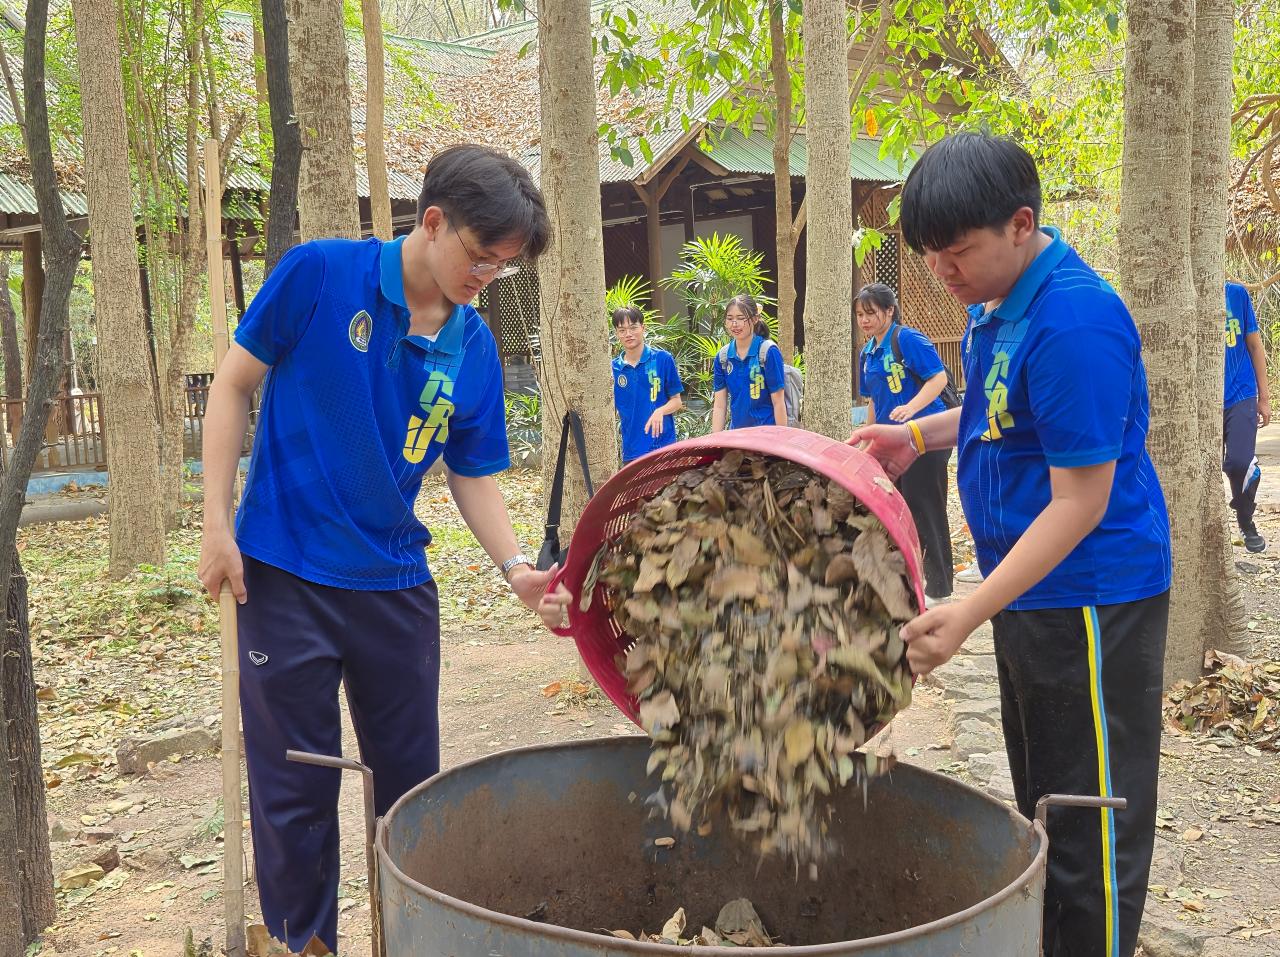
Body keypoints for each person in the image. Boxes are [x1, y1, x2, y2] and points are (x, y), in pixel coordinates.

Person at [197, 144, 563, 953]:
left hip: (396, 588)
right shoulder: (319, 276)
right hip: (283, 574)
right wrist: (216, 524)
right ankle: (303, 945)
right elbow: (231, 384)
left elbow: (472, 475)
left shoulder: (471, 346)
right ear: (433, 221)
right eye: (480, 256)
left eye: (503, 267)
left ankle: (411, 942)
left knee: (411, 795)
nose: (486, 278)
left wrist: (516, 572)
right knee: (293, 793)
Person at [850, 132, 1170, 957]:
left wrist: (968, 609)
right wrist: (914, 435)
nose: (942, 274)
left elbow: (1081, 500)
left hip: (1091, 599)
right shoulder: (998, 304)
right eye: (929, 258)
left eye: (957, 254)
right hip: (1029, 590)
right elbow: (1002, 413)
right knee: (1046, 806)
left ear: (1022, 223)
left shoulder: (1075, 321)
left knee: (1089, 825)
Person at [856, 282, 953, 604]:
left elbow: (937, 378)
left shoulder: (907, 339)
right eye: (859, 314)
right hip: (889, 441)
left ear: (889, 311)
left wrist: (912, 409)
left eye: (871, 313)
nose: (865, 320)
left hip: (925, 436)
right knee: (892, 509)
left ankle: (939, 587)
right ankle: (905, 580)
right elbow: (872, 400)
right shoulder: (867, 353)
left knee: (925, 506)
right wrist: (866, 436)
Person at [1223, 280, 1269, 552]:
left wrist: (1264, 398)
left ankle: (1245, 521)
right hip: (1204, 398)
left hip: (1241, 391)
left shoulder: (1236, 294)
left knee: (1239, 463)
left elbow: (1253, 345)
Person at [611, 306, 684, 463]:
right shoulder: (613, 369)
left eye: (633, 328)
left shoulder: (662, 359)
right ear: (616, 333)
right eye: (622, 330)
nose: (628, 334)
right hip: (632, 450)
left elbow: (677, 401)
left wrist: (660, 411)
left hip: (663, 446)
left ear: (643, 328)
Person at [710, 295, 787, 431]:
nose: (734, 324)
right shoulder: (722, 357)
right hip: (737, 438)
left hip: (767, 436)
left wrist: (781, 443)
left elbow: (778, 402)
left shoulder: (768, 352)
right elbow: (720, 406)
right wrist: (715, 445)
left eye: (740, 318)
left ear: (755, 319)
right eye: (730, 318)